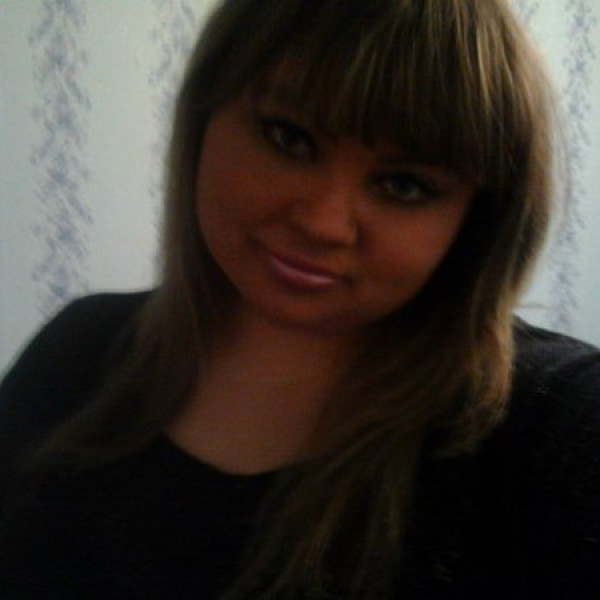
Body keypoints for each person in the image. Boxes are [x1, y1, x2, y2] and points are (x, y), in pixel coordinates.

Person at [1, 0, 599, 598]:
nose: (324, 223)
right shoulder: (80, 351)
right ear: (205, 115)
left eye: (404, 185)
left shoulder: (556, 426)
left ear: (476, 220)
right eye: (290, 138)